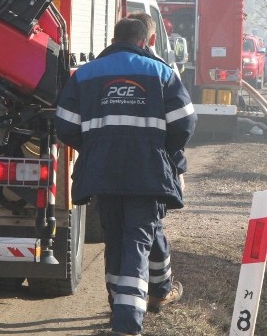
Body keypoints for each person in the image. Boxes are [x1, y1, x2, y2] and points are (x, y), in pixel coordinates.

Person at [55, 18, 196, 336]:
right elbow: (185, 123)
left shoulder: (86, 73)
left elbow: (64, 123)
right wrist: (163, 152)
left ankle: (118, 304)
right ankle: (128, 323)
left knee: (115, 238)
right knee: (137, 240)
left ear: (114, 38)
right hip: (146, 173)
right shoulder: (161, 72)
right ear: (147, 40)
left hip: (102, 172)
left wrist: (94, 147)